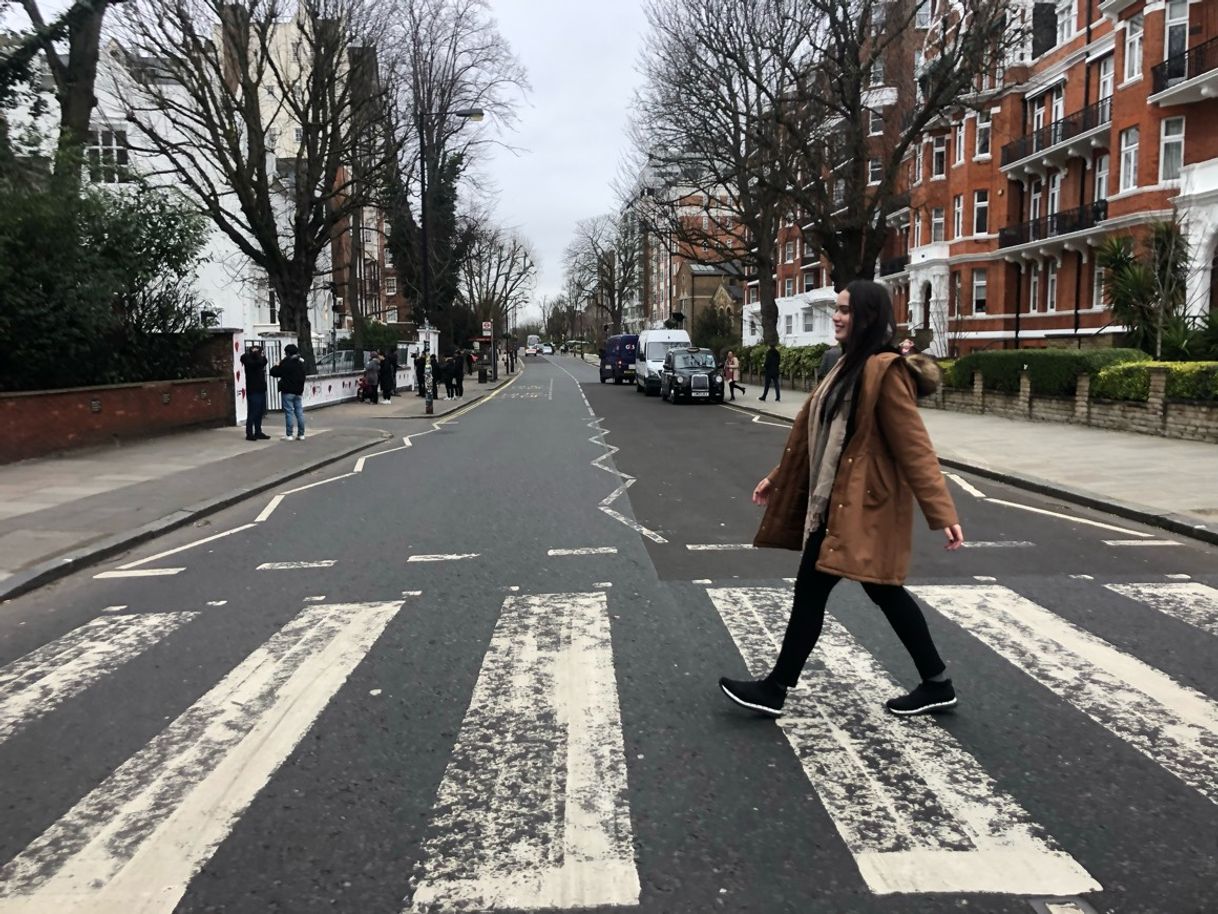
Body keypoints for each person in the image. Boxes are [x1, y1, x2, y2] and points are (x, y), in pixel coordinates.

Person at [719, 279, 965, 718]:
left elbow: (915, 447)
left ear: (868, 316)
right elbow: (819, 434)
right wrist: (779, 476)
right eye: (837, 308)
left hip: (861, 507)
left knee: (824, 591)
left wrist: (941, 510)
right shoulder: (846, 365)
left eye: (846, 310)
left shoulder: (883, 371)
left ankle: (776, 688)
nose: (837, 316)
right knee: (880, 592)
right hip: (837, 503)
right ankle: (937, 682)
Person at [269, 343, 307, 440]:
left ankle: (289, 434)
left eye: (285, 353)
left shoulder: (286, 363)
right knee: (299, 412)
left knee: (289, 412)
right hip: (298, 391)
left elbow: (274, 372)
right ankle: (301, 434)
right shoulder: (300, 363)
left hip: (288, 391)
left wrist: (277, 364)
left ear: (288, 353)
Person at [240, 344, 270, 441]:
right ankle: (249, 433)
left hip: (260, 388)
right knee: (253, 412)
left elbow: (264, 361)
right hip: (253, 389)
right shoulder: (247, 359)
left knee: (259, 412)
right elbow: (253, 363)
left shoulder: (260, 361)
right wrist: (255, 354)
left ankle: (258, 431)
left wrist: (258, 354)